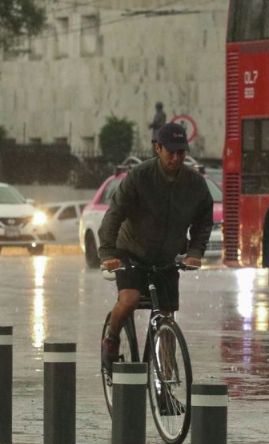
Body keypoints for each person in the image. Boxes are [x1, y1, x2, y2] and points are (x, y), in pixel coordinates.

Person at [99, 122, 214, 404]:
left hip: (165, 258)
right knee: (129, 300)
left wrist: (195, 251)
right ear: (157, 148)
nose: (175, 158)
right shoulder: (139, 177)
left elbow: (205, 219)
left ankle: (165, 386)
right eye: (170, 152)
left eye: (181, 153)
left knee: (165, 316)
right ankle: (111, 340)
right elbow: (113, 215)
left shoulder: (195, 183)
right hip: (131, 252)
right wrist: (107, 254)